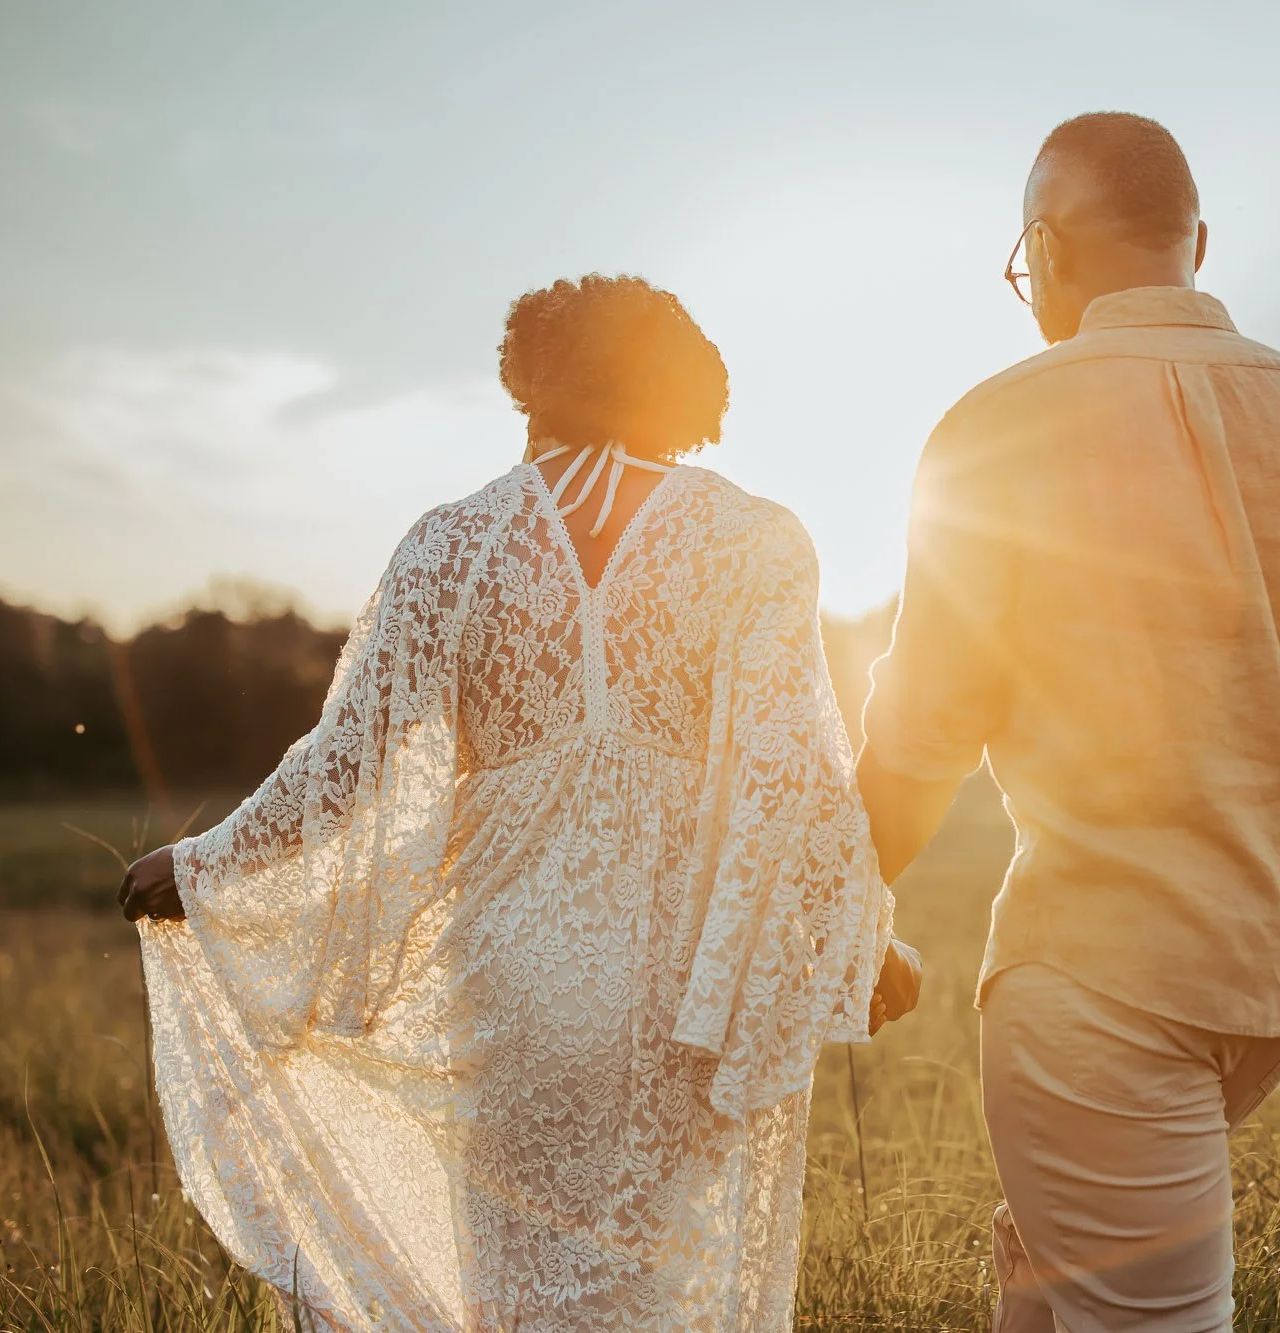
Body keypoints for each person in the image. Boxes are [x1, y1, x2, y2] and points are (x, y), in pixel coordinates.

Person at [117, 273, 922, 1332]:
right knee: (650, 1287)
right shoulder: (755, 538)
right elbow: (791, 774)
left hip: (502, 970)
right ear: (687, 393)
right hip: (676, 981)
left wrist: (204, 862)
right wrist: (859, 935)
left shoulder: (451, 544)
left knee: (510, 1287)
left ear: (528, 387)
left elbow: (343, 762)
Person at [857, 113, 1280, 1331]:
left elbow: (923, 733)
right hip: (1276, 993)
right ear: (1195, 241)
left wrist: (828, 904)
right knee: (1054, 1279)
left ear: (1043, 245)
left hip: (1098, 989)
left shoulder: (996, 424)